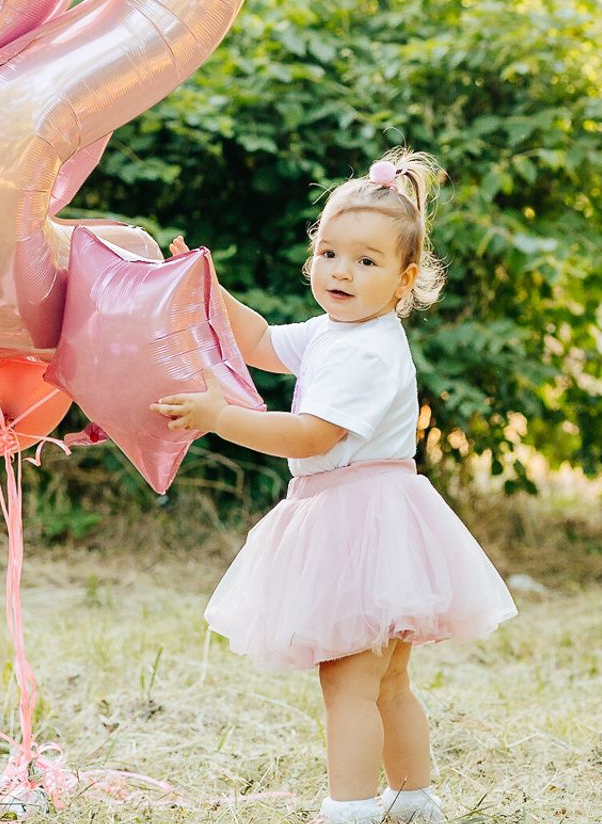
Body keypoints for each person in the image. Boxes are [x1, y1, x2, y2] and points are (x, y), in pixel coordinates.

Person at [151, 149, 517, 824]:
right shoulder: (332, 332)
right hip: (371, 518)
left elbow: (314, 437)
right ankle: (413, 800)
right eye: (329, 253)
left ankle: (349, 809)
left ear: (404, 280)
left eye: (367, 261)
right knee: (386, 682)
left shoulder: (368, 349)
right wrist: (205, 286)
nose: (342, 271)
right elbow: (260, 339)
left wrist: (221, 419)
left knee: (348, 682)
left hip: (362, 521)